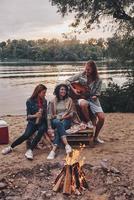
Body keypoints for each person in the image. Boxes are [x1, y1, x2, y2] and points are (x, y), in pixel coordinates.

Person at [2, 84, 48, 160]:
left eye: (45, 92)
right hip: (32, 122)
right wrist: (35, 115)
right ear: (38, 92)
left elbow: (45, 114)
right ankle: (10, 147)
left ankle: (30, 150)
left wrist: (47, 122)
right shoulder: (29, 101)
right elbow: (28, 116)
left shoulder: (44, 101)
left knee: (41, 130)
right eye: (43, 92)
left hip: (42, 122)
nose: (45, 94)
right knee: (26, 135)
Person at [66, 60, 105, 144]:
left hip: (93, 100)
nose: (86, 71)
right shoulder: (81, 75)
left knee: (102, 118)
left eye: (89, 70)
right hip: (82, 98)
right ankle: (89, 122)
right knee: (84, 104)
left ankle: (96, 137)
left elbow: (98, 93)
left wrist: (95, 96)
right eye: (86, 69)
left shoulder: (98, 80)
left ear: (93, 70)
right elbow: (67, 81)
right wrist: (74, 90)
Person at [47, 83, 73, 160]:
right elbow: (49, 115)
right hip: (56, 120)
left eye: (65, 89)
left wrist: (65, 117)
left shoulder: (69, 100)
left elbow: (71, 113)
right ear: (58, 90)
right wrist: (49, 127)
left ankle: (53, 151)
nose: (63, 91)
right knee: (58, 122)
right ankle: (67, 145)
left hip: (66, 120)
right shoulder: (53, 101)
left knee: (59, 128)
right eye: (61, 89)